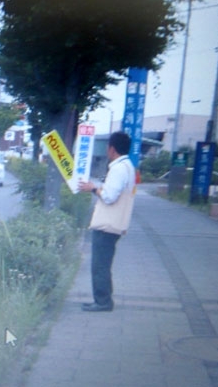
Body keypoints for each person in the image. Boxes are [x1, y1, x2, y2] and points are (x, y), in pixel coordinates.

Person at [77, 131, 136, 312]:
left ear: (112, 149)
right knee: (104, 263)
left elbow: (109, 197)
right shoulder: (128, 166)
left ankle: (102, 301)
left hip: (107, 225)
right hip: (116, 224)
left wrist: (93, 188)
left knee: (99, 265)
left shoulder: (118, 169)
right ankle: (104, 299)